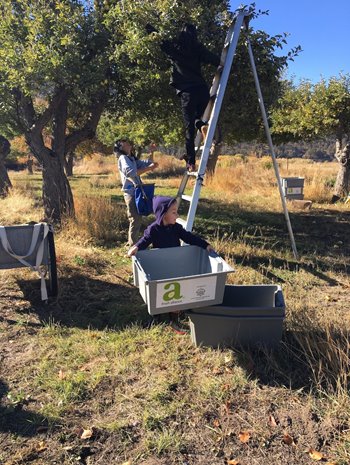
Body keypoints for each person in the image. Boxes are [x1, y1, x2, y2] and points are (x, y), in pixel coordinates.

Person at [128, 195, 214, 334]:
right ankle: (156, 317)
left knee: (176, 292)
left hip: (175, 264)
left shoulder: (177, 228)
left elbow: (189, 237)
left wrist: (205, 245)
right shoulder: (153, 229)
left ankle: (174, 319)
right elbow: (145, 240)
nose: (177, 215)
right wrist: (136, 247)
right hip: (160, 265)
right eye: (174, 212)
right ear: (163, 214)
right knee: (157, 293)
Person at [146, 23, 222, 172]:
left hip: (187, 92)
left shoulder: (175, 47)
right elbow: (216, 60)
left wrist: (149, 27)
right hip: (202, 90)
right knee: (198, 120)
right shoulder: (198, 48)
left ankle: (191, 163)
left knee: (189, 129)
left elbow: (160, 40)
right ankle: (202, 127)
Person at [114, 139, 158, 247]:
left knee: (137, 218)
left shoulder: (131, 158)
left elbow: (146, 163)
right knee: (135, 219)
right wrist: (150, 168)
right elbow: (131, 173)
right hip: (131, 193)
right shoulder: (123, 158)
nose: (128, 144)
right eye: (124, 143)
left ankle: (132, 243)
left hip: (136, 192)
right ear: (121, 147)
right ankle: (133, 246)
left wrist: (151, 152)